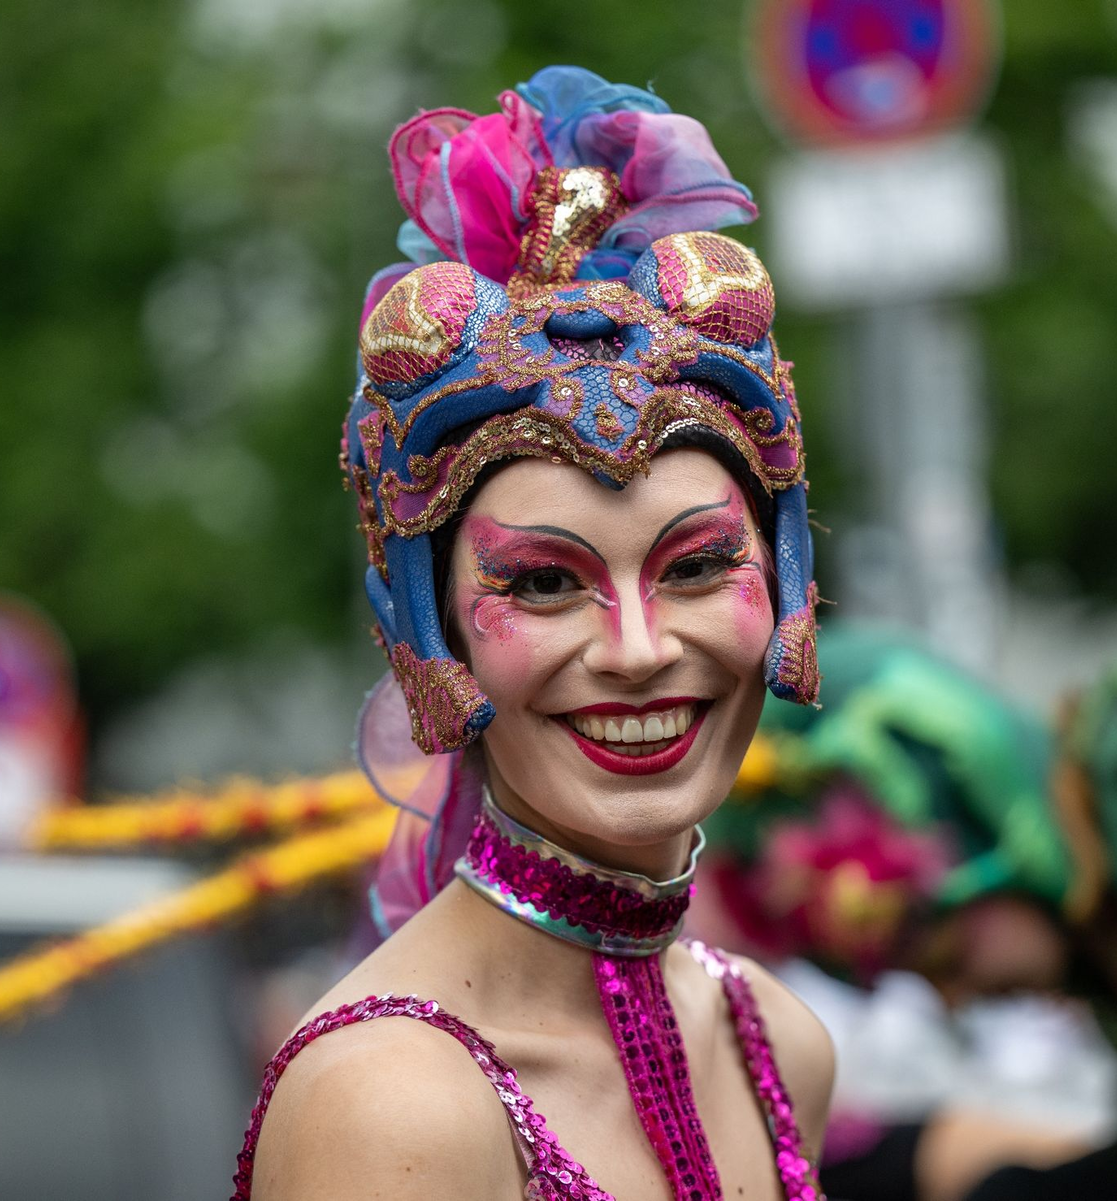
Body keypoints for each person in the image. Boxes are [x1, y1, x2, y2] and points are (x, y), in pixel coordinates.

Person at [231, 67, 834, 1201]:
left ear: (790, 577)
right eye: (547, 584)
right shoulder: (392, 1105)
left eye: (699, 566)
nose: (641, 646)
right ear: (431, 629)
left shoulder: (777, 1048)